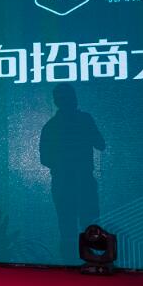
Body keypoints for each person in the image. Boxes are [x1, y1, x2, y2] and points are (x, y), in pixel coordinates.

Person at [39, 84, 105, 265]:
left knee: (67, 225)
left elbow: (45, 159)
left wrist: (63, 164)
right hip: (81, 181)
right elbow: (101, 144)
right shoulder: (84, 120)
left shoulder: (51, 126)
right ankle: (93, 262)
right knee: (88, 222)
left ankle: (70, 263)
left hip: (64, 183)